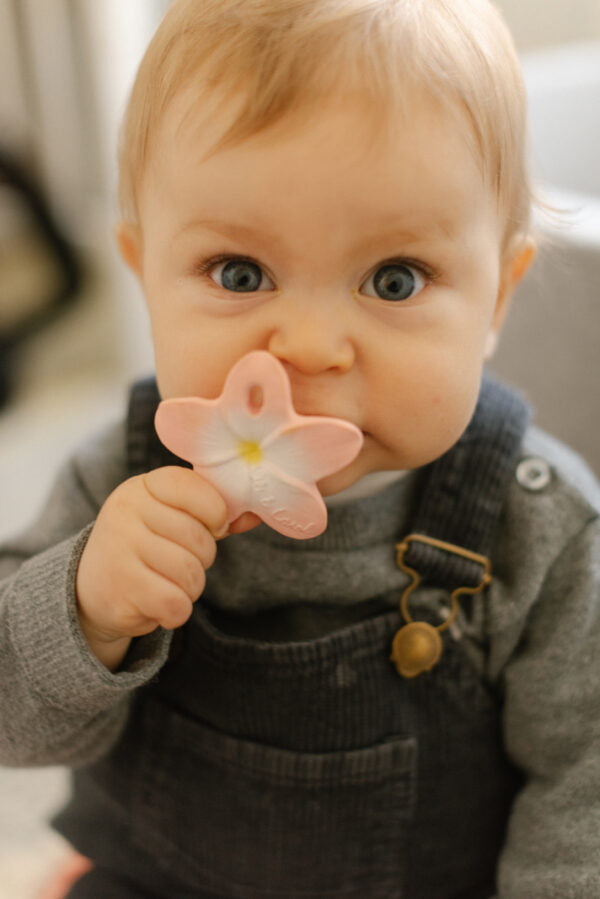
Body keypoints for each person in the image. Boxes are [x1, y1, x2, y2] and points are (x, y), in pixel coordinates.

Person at [2, 0, 599, 896]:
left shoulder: (537, 527)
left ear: (498, 300)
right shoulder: (118, 481)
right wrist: (87, 612)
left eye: (394, 280)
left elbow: (582, 796)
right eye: (239, 273)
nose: (311, 346)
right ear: (142, 270)